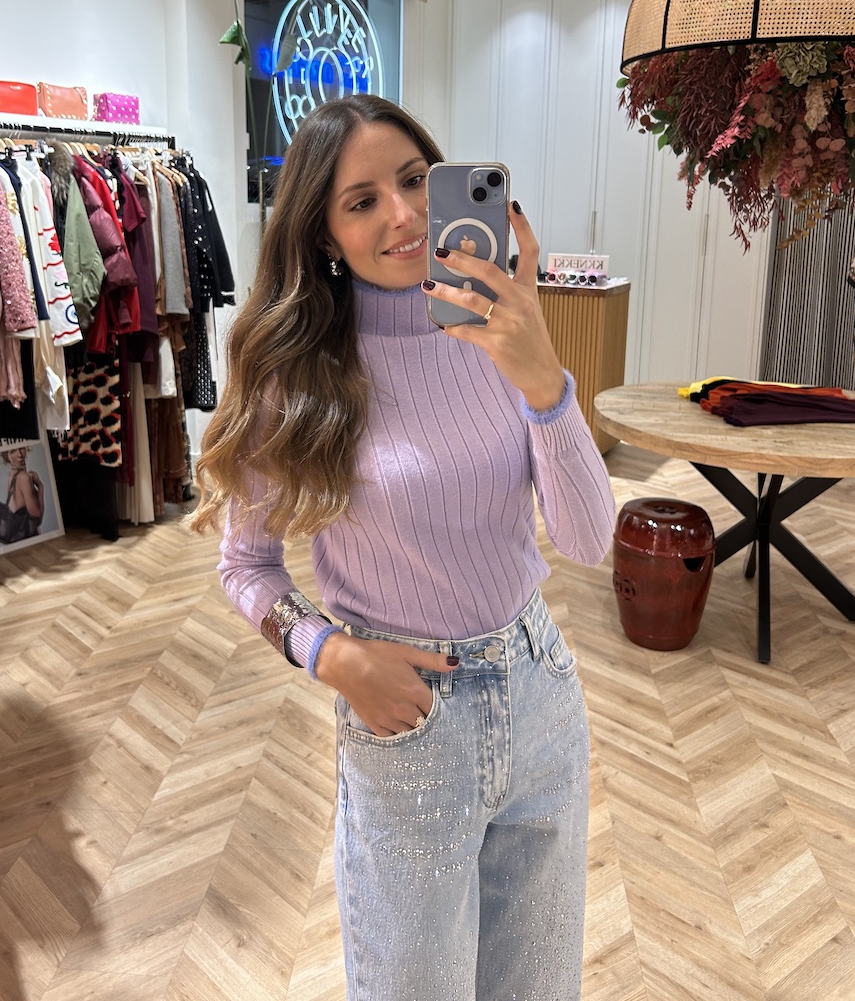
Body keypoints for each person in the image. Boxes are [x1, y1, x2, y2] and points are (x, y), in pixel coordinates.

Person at [191, 94, 615, 1000]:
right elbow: (245, 563)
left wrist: (543, 375)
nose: (405, 213)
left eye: (416, 179)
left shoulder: (500, 330)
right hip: (409, 718)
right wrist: (330, 652)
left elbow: (588, 539)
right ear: (323, 234)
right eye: (362, 200)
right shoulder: (294, 366)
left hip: (541, 692)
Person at [2, 446, 44, 535]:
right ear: (7, 456)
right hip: (31, 537)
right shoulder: (24, 477)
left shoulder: (11, 476)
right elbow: (37, 519)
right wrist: (40, 486)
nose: (20, 455)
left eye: (21, 448)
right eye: (13, 451)